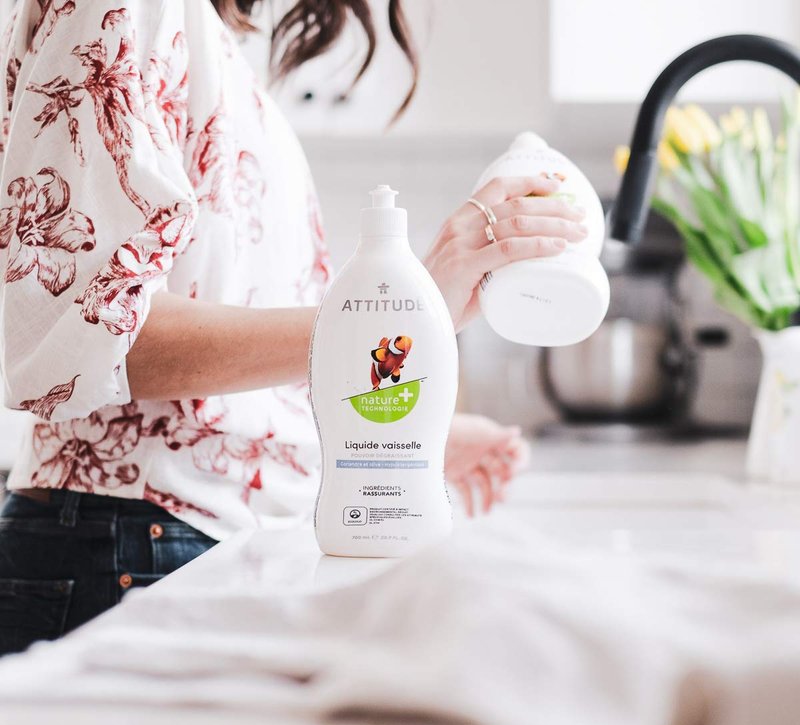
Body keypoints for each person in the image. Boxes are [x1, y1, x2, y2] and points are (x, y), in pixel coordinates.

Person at [0, 0, 588, 655]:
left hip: (174, 541)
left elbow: (212, 377)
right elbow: (91, 334)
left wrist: (387, 438)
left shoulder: (206, 37)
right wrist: (399, 312)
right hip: (135, 543)